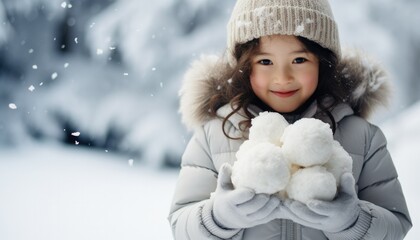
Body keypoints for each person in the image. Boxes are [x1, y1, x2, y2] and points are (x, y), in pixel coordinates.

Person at [168, 0, 412, 239]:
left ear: (322, 63)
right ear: (244, 66)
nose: (282, 77)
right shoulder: (214, 136)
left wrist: (353, 221)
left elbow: (396, 223)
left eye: (299, 60)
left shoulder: (363, 138)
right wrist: (218, 217)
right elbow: (181, 224)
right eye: (265, 61)